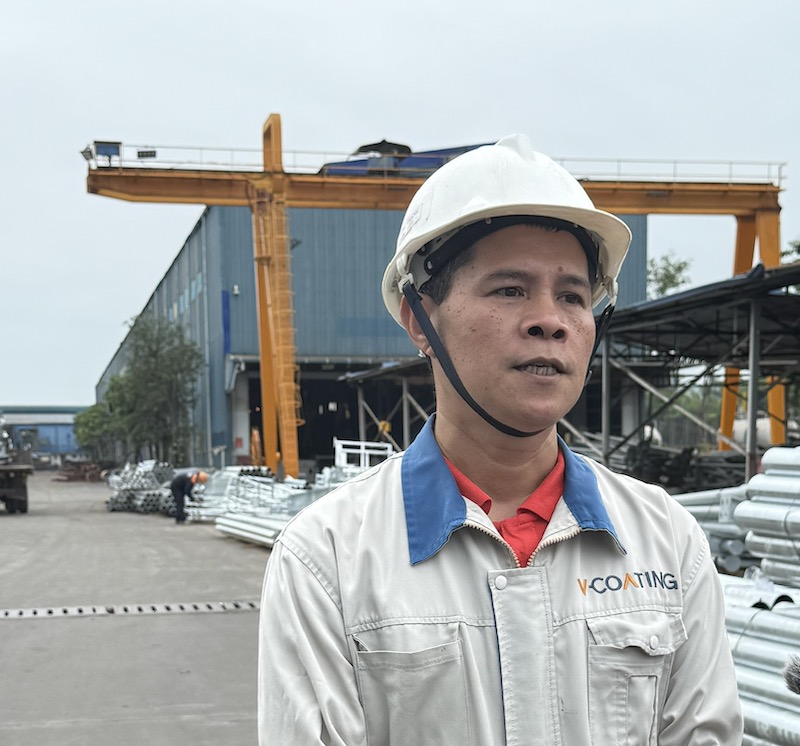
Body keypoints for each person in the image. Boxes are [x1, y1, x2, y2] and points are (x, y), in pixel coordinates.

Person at [258, 135, 742, 745]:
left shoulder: (666, 541)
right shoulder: (330, 558)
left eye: (572, 296)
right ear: (419, 319)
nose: (550, 320)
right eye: (510, 289)